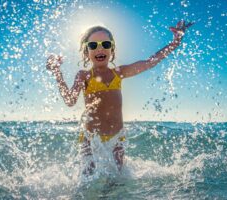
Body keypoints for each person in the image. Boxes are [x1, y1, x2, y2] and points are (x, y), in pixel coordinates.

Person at [46, 20, 193, 175]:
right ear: (86, 52)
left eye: (105, 44)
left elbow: (150, 62)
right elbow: (70, 101)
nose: (100, 49)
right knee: (87, 179)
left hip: (116, 138)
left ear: (112, 49)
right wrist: (57, 73)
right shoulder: (84, 76)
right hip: (91, 138)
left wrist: (176, 41)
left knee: (117, 180)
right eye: (93, 45)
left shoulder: (119, 73)